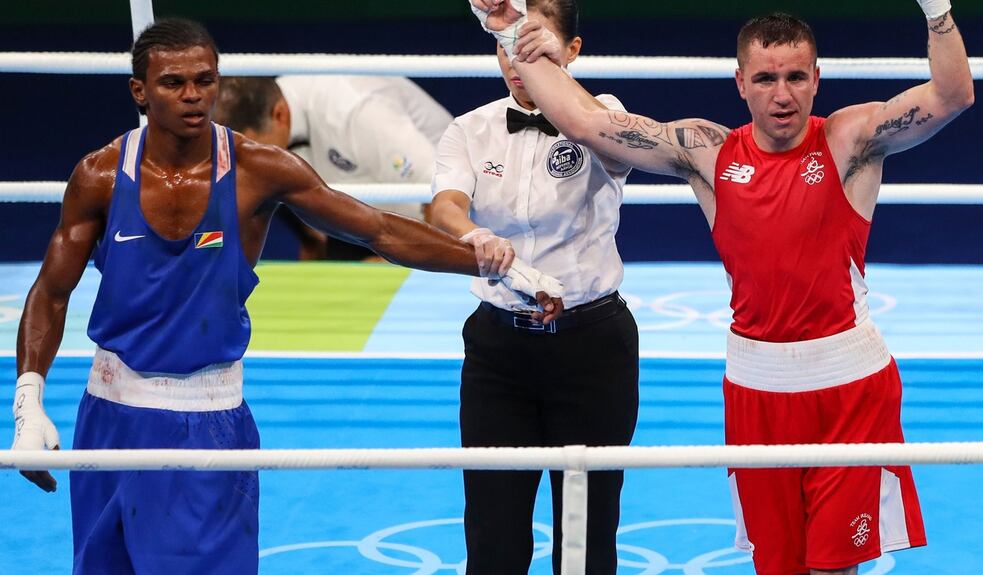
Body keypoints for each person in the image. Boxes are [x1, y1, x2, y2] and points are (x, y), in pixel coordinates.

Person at [9, 18, 562, 575]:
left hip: (206, 419)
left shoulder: (257, 170)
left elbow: (380, 230)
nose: (193, 96)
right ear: (140, 92)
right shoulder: (100, 175)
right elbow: (52, 294)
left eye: (205, 80)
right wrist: (28, 403)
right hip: (109, 413)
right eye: (174, 83)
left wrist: (499, 265)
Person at [470, 0, 974, 573]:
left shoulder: (850, 139)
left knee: (835, 566)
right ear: (741, 83)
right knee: (777, 565)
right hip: (755, 390)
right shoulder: (707, 152)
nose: (781, 94)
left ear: (816, 79)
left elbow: (952, 95)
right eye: (764, 78)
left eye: (794, 77)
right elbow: (586, 121)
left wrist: (937, 8)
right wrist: (510, 29)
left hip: (849, 387)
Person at [431, 1, 639, 573]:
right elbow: (444, 204)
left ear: (571, 51)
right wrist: (473, 233)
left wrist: (555, 83)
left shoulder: (604, 114)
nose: (518, 60)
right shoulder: (469, 129)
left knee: (587, 539)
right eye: (507, 46)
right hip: (499, 351)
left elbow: (601, 131)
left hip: (591, 347)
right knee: (493, 538)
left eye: (533, 42)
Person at [214, 75, 453, 260]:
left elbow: (441, 191)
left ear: (279, 115)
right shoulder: (270, 110)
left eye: (252, 148)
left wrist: (400, 264)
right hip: (363, 231)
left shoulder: (355, 112)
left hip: (438, 224)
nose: (248, 161)